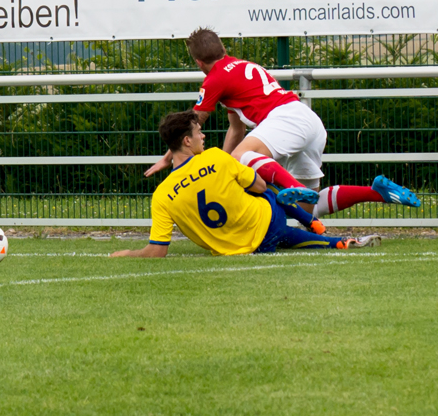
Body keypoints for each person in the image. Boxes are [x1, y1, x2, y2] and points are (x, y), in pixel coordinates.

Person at [144, 27, 421, 219]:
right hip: (307, 121)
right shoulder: (241, 67)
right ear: (223, 48)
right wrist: (222, 166)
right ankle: (377, 193)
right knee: (307, 208)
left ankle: (290, 185)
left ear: (197, 61)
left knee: (243, 158)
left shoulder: (214, 78)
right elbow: (237, 129)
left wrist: (169, 158)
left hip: (284, 119)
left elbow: (191, 125)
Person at [111, 111, 381, 258]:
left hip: (247, 248)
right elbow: (261, 188)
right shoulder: (216, 156)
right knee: (264, 181)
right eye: (198, 132)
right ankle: (315, 224)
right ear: (187, 141)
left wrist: (126, 254)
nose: (203, 135)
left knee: (288, 239)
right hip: (269, 220)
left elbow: (157, 251)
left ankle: (335, 241)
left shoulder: (161, 195)